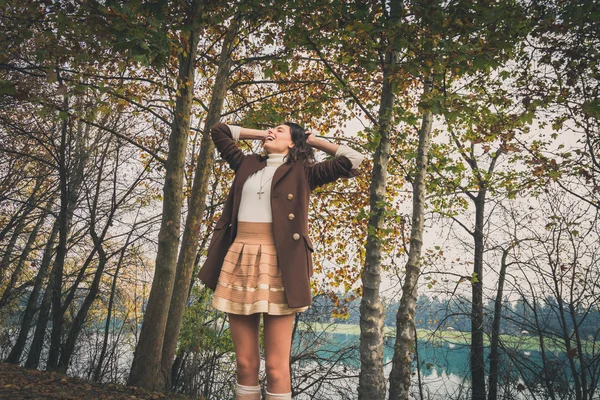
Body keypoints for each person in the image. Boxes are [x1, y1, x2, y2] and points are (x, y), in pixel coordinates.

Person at [197, 122, 364, 400]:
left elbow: (354, 159)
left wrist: (312, 140)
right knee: (245, 364)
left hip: (281, 264)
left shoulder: (305, 172)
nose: (272, 131)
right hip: (240, 258)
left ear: (293, 143)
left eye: (280, 130)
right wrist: (263, 134)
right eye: (270, 129)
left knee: (275, 367)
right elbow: (219, 131)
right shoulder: (246, 164)